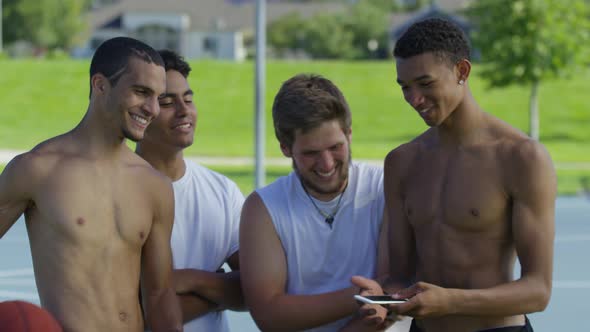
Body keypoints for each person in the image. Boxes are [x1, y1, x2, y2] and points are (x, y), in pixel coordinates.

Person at [352, 18, 557, 332]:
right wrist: (384, 297)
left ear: (462, 71)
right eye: (405, 87)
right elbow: (400, 275)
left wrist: (451, 302)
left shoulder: (521, 157)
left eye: (425, 83)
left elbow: (538, 291)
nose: (414, 98)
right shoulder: (401, 162)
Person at [0, 37, 182, 332]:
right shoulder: (37, 170)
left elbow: (159, 295)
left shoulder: (155, 186)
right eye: (141, 92)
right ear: (100, 85)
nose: (152, 109)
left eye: (157, 97)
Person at [240, 74, 388, 331]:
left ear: (349, 134)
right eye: (311, 153)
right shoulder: (263, 208)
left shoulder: (383, 187)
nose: (327, 164)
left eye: (335, 147)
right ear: (285, 148)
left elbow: (397, 286)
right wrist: (359, 297)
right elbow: (268, 314)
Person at [135, 49, 246, 331]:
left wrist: (191, 279)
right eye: (168, 102)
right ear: (141, 111)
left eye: (188, 99)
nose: (185, 111)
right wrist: (218, 289)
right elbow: (127, 313)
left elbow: (255, 288)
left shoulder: (223, 191)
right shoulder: (114, 191)